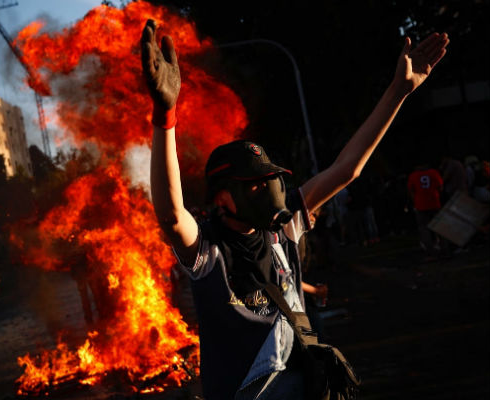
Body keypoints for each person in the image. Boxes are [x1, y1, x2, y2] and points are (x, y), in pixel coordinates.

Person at [141, 18, 448, 400]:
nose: (269, 190)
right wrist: (165, 114)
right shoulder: (209, 251)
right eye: (253, 184)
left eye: (270, 179)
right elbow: (171, 215)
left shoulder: (282, 230)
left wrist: (399, 91)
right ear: (222, 197)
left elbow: (346, 169)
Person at [407, 163, 444, 260]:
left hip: (421, 204)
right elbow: (440, 186)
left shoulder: (413, 175)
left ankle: (430, 250)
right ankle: (443, 247)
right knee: (438, 226)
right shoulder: (433, 173)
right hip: (434, 202)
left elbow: (411, 190)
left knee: (424, 228)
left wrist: (414, 200)